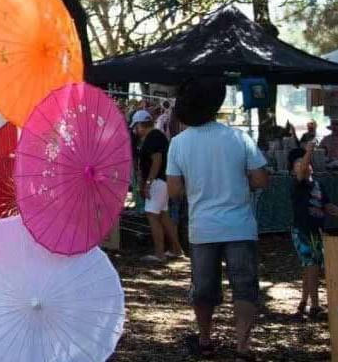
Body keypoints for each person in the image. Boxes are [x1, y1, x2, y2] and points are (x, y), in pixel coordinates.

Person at [167, 77, 269, 361]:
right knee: (245, 287)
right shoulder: (238, 137)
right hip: (240, 226)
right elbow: (261, 179)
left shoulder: (178, 144)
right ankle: (243, 347)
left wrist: (195, 186)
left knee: (203, 289)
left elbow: (174, 191)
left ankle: (205, 340)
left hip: (203, 227)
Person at [289, 141, 338, 321]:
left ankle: (303, 301)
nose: (304, 165)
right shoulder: (297, 184)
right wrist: (308, 150)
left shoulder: (318, 184)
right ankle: (315, 306)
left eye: (307, 161)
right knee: (313, 267)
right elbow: (302, 172)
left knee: (309, 267)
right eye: (299, 163)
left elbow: (327, 206)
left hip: (317, 230)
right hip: (302, 230)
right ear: (292, 170)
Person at [133, 109, 184, 263]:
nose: (135, 131)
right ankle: (176, 249)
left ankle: (159, 253)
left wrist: (148, 182)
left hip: (157, 182)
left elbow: (157, 160)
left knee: (152, 215)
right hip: (161, 181)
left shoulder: (153, 137)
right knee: (163, 215)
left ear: (141, 125)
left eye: (136, 127)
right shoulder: (155, 136)